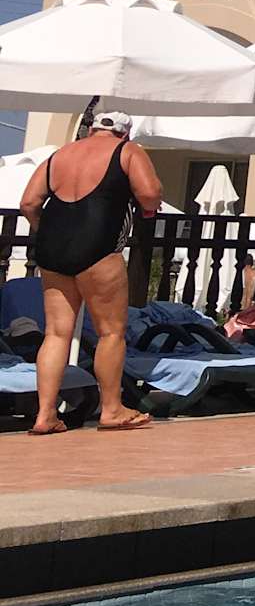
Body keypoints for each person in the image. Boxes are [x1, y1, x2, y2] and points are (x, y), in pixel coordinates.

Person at [18, 112, 163, 433]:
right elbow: (150, 193)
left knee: (56, 333)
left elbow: (28, 203)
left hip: (53, 248)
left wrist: (46, 230)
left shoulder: (60, 154)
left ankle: (45, 414)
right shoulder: (127, 151)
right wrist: (148, 203)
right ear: (125, 134)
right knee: (110, 332)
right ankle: (112, 409)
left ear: (92, 129)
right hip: (98, 247)